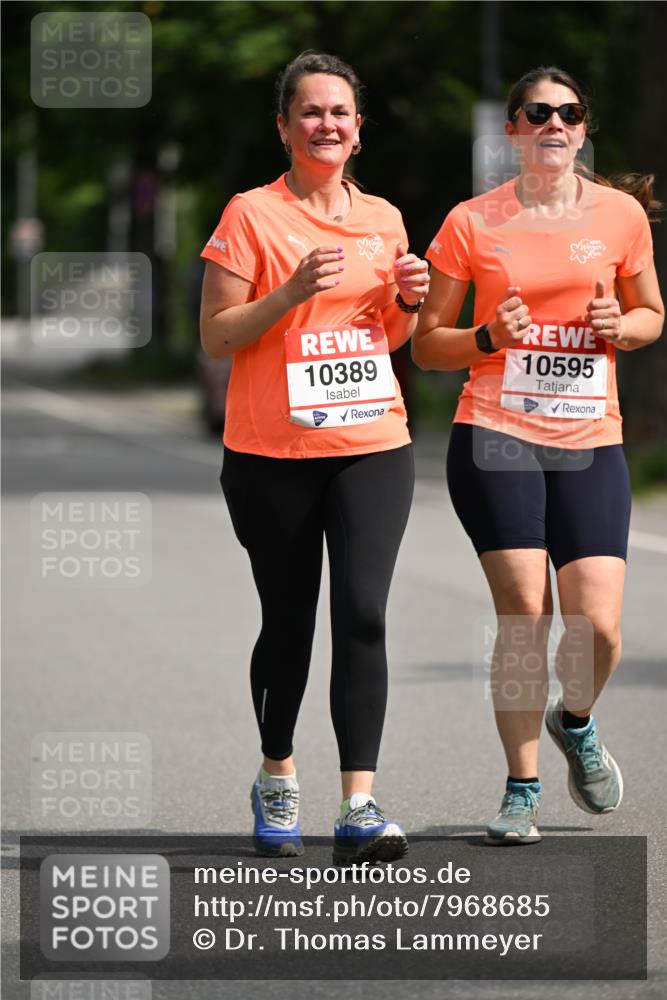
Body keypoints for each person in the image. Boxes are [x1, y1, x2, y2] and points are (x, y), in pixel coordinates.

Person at [413, 66, 664, 845]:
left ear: (582, 128)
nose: (553, 123)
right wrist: (488, 336)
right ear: (513, 131)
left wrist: (621, 329)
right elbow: (425, 345)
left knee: (599, 625)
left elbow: (651, 313)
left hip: (589, 435)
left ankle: (576, 722)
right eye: (536, 112)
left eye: (568, 112)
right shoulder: (471, 222)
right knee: (524, 612)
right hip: (496, 433)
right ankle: (520, 789)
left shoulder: (620, 215)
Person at [200, 52, 429, 864]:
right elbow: (217, 335)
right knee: (289, 621)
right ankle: (276, 774)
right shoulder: (250, 215)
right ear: (284, 127)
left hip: (371, 442)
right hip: (272, 452)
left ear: (357, 130)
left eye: (340, 112)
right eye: (310, 112)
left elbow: (390, 337)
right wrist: (289, 293)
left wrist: (407, 298)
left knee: (362, 616)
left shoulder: (385, 220)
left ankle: (359, 805)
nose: (326, 124)